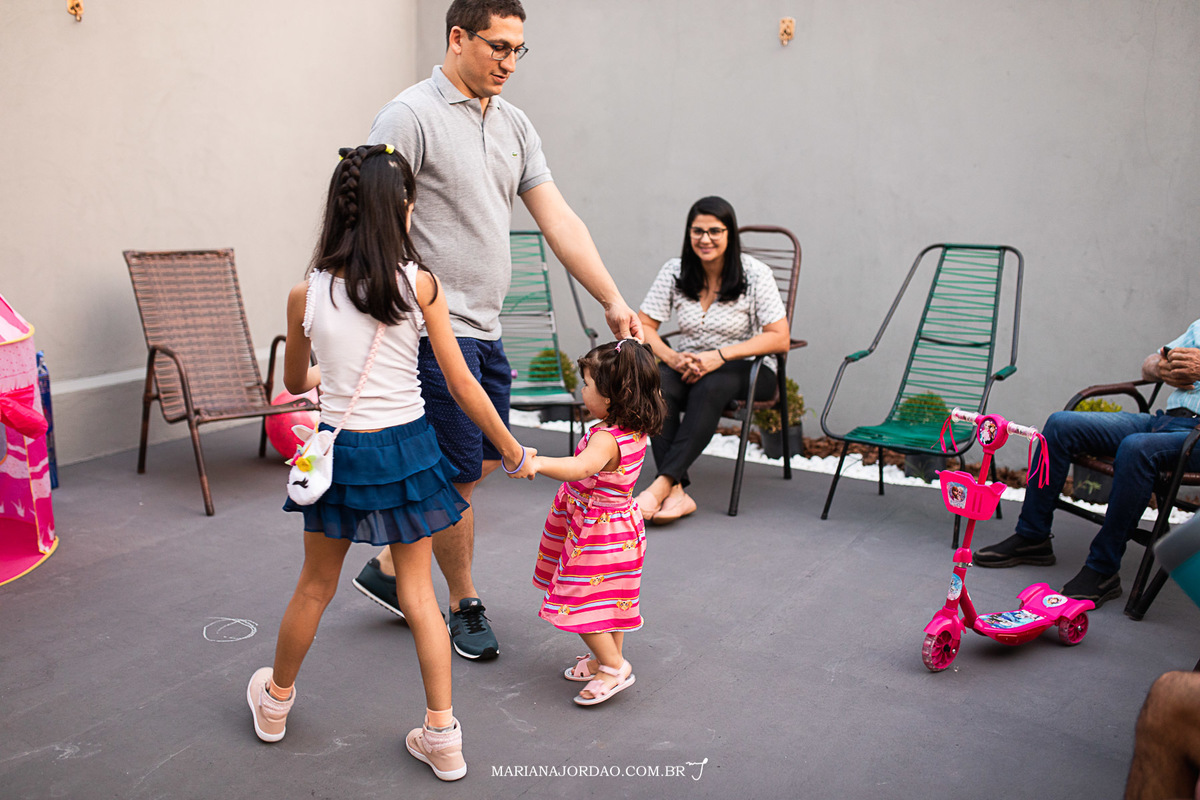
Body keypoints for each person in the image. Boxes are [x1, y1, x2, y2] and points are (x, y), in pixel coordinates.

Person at [351, 0, 642, 661]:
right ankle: (464, 603)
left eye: (518, 49)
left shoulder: (514, 123)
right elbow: (375, 222)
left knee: (478, 461)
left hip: (487, 326)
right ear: (458, 37)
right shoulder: (408, 116)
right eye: (498, 46)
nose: (510, 62)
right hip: (433, 329)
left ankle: (392, 569)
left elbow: (559, 220)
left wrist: (611, 297)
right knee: (459, 475)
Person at [245, 145, 534, 781]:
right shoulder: (420, 285)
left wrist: (333, 373)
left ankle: (275, 703)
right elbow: (460, 383)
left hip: (340, 452)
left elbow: (295, 381)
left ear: (340, 209)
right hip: (408, 450)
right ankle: (443, 735)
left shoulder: (305, 294)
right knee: (420, 594)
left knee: (314, 586)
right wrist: (512, 451)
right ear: (402, 209)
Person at [974, 321, 1200, 607]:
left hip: (1196, 437)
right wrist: (1161, 368)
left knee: (1136, 448)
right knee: (1060, 424)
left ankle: (1103, 568)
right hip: (1165, 421)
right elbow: (1149, 365)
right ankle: (1032, 536)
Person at [634, 196, 790, 524]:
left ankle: (661, 486)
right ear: (689, 233)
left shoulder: (754, 273)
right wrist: (672, 357)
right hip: (690, 364)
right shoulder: (675, 271)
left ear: (729, 233)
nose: (705, 239)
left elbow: (779, 337)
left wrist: (718, 356)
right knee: (657, 385)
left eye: (715, 231)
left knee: (711, 385)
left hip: (750, 368)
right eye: (698, 231)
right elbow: (644, 325)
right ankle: (677, 493)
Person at [528, 339, 665, 705]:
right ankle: (603, 659)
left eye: (587, 384)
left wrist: (538, 462)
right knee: (609, 598)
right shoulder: (633, 428)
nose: (582, 390)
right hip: (621, 527)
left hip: (597, 532)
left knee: (577, 599)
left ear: (612, 395)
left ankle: (615, 667)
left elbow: (580, 468)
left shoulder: (605, 438)